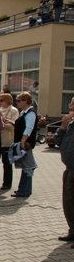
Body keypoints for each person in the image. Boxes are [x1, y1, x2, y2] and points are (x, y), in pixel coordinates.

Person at [0, 93, 20, 191]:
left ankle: (7, 183)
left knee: (6, 162)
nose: (0, 102)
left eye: (1, 100)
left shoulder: (13, 110)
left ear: (8, 100)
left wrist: (2, 123)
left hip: (7, 139)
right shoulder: (0, 110)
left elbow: (14, 126)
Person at [12, 91, 39, 198]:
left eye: (19, 100)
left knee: (28, 166)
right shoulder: (24, 112)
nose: (17, 102)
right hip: (22, 142)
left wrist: (23, 140)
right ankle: (23, 189)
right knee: (26, 166)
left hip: (26, 143)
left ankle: (25, 191)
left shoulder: (31, 113)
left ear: (25, 101)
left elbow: (29, 127)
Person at [55, 97, 74, 243]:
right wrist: (62, 127)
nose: (70, 106)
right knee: (68, 201)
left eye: (73, 104)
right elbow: (58, 141)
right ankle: (72, 230)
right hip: (69, 168)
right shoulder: (70, 124)